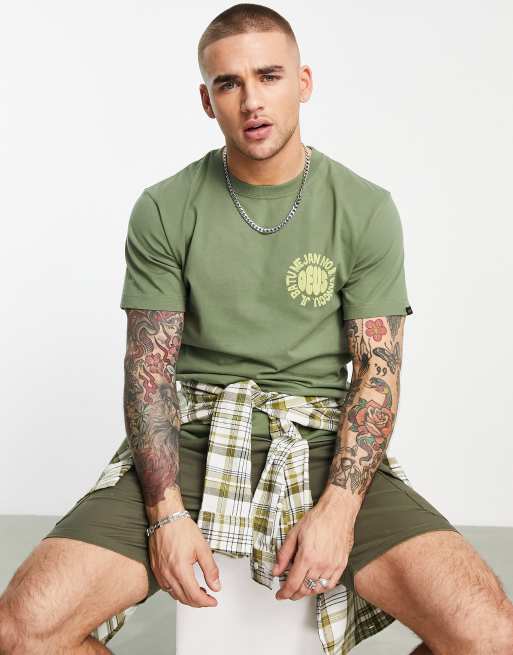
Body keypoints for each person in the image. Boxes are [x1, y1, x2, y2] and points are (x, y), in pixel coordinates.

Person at [1, 3, 512, 654]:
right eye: (228, 83)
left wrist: (339, 509)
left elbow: (376, 375)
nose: (251, 101)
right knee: (21, 629)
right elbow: (149, 375)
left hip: (320, 440)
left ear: (303, 82)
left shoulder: (364, 208)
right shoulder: (165, 207)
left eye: (269, 76)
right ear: (206, 100)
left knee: (490, 634)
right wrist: (165, 513)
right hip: (192, 436)